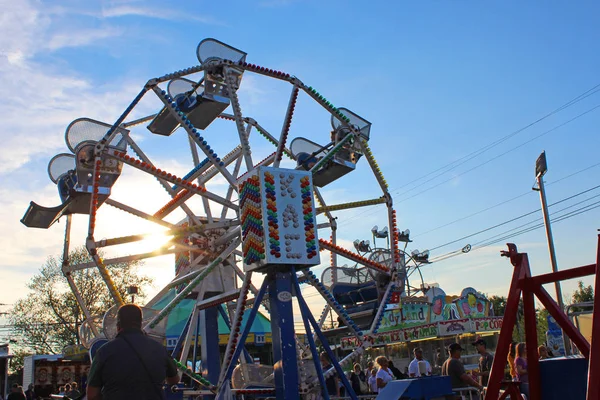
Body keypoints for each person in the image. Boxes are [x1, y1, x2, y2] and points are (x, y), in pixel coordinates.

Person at [86, 304, 180, 400]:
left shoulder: (104, 352)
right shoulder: (159, 349)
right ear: (140, 323)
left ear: (118, 325)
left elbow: (92, 395)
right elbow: (174, 380)